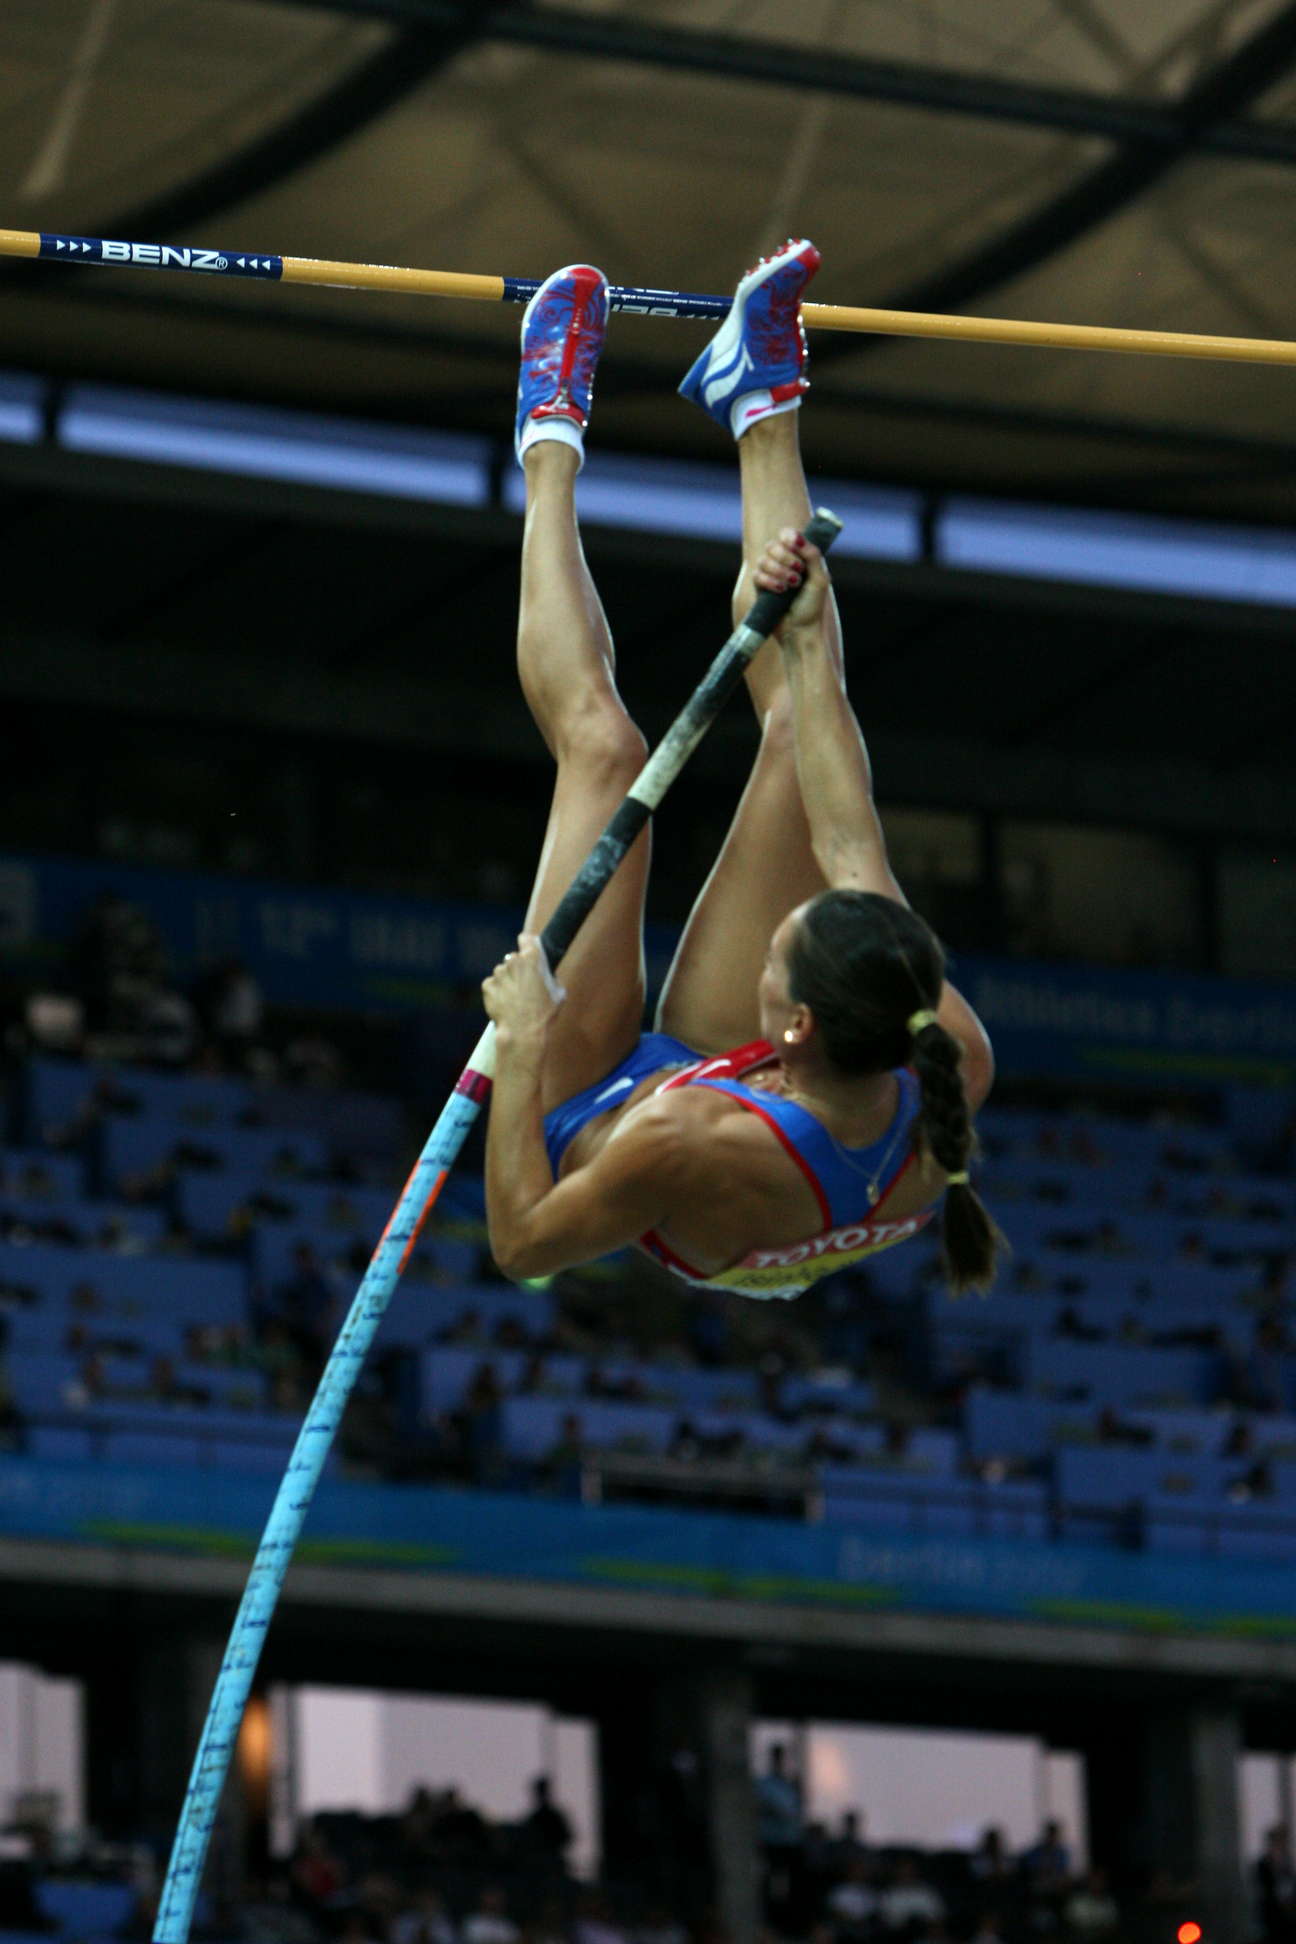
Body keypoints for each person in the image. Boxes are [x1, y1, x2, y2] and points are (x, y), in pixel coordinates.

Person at [482, 242, 997, 1302]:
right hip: (771, 1114)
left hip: (600, 1120)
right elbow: (847, 836)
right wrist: (802, 636)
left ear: (792, 1024)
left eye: (780, 948)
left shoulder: (683, 1138)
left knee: (606, 750)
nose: (773, 926)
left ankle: (548, 434)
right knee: (801, 734)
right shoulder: (946, 1044)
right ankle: (760, 398)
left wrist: (524, 1046)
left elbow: (524, 1249)